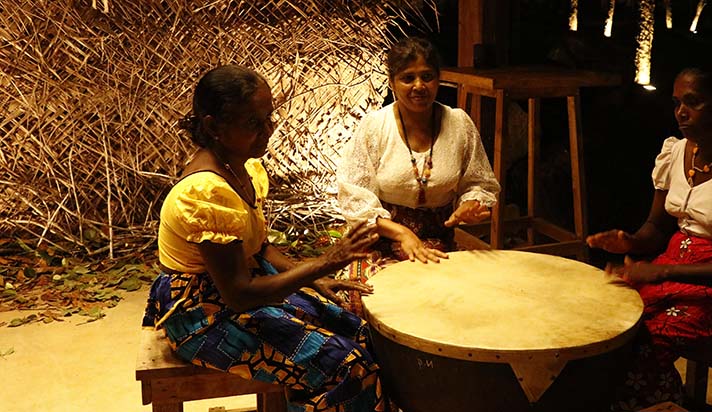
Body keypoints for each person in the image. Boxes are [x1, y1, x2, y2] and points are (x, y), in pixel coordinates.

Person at [142, 64, 388, 412]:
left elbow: (260, 248)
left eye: (268, 118)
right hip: (202, 313)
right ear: (213, 127)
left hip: (240, 288)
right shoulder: (205, 192)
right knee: (351, 367)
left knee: (364, 333)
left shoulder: (240, 167)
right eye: (253, 123)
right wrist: (323, 263)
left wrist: (312, 278)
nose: (268, 130)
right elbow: (239, 295)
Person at [586, 63, 712, 411]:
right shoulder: (676, 152)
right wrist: (631, 242)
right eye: (677, 102)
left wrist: (664, 271)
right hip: (676, 266)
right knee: (609, 320)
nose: (681, 112)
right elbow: (656, 228)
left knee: (646, 339)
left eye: (693, 102)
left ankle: (657, 403)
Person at [337, 36, 499, 264]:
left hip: (439, 242)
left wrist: (470, 205)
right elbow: (354, 194)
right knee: (384, 286)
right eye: (408, 78)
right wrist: (402, 233)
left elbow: (478, 183)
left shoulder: (459, 123)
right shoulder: (375, 126)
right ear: (392, 82)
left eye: (427, 77)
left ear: (438, 79)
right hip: (379, 241)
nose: (419, 86)